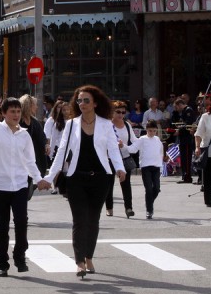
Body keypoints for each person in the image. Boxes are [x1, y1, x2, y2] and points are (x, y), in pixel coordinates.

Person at [43, 85, 125, 278]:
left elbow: (113, 149)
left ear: (95, 103)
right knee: (79, 220)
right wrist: (49, 176)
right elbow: (61, 152)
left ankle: (89, 256)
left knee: (93, 220)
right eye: (79, 100)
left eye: (86, 100)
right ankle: (79, 261)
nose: (82, 104)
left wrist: (120, 168)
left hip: (101, 177)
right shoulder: (71, 124)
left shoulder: (106, 124)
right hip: (76, 177)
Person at [0, 97, 48, 277]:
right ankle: (2, 262)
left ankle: (20, 256)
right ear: (3, 113)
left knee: (21, 222)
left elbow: (30, 160)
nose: (15, 115)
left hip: (20, 184)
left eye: (18, 111)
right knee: (2, 226)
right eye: (11, 111)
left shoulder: (24, 134)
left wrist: (38, 179)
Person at [126, 121, 164, 219]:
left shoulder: (157, 139)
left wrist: (161, 166)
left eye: (154, 131)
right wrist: (124, 146)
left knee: (156, 188)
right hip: (146, 167)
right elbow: (133, 149)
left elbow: (160, 152)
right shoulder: (142, 139)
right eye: (150, 131)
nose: (152, 133)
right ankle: (149, 210)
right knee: (149, 189)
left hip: (156, 167)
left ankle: (149, 201)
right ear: (146, 130)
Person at [106, 100, 137, 217]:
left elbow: (134, 141)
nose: (120, 115)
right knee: (109, 184)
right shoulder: (108, 125)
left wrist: (126, 147)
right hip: (110, 158)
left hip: (124, 157)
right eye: (118, 112)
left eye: (123, 112)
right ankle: (109, 207)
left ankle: (128, 208)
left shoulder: (127, 125)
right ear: (112, 112)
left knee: (126, 183)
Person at [19, 94, 48, 198]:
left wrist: (46, 145)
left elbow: (42, 137)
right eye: (35, 105)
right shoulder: (18, 122)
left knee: (28, 191)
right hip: (20, 161)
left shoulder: (35, 122)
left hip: (35, 159)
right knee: (22, 191)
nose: (37, 107)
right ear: (28, 105)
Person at [171, 98, 197, 184]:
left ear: (180, 104)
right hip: (183, 139)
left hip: (187, 139)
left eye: (177, 107)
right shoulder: (182, 112)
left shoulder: (188, 111)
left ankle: (187, 176)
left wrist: (179, 130)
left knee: (186, 158)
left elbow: (188, 124)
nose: (177, 109)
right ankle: (184, 175)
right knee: (183, 159)